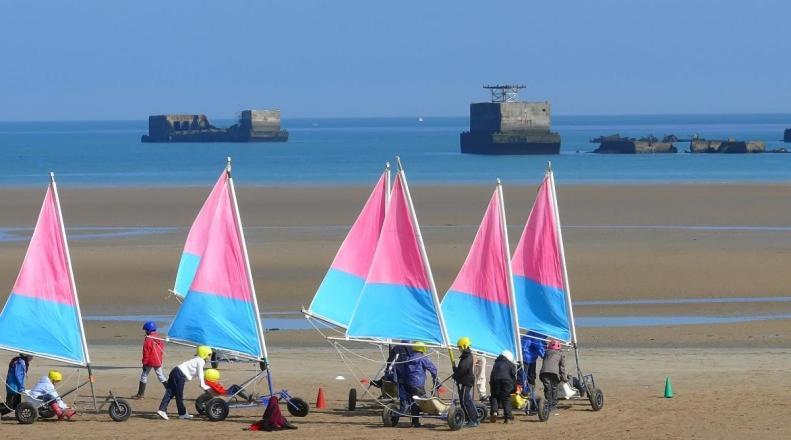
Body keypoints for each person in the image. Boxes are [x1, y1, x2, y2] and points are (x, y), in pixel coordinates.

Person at [157, 345, 212, 420]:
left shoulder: (198, 359)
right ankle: (180, 413)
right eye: (209, 354)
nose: (210, 356)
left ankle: (163, 410)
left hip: (176, 372)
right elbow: (200, 373)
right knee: (178, 394)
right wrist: (202, 384)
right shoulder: (200, 361)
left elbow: (199, 372)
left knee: (171, 392)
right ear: (204, 353)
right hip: (179, 374)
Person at [395, 342, 438, 428]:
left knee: (414, 402)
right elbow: (433, 369)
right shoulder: (423, 358)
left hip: (407, 384)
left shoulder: (408, 358)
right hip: (417, 385)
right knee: (423, 402)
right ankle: (420, 418)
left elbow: (402, 370)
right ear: (422, 349)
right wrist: (436, 379)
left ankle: (415, 422)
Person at [132, 321, 166, 399]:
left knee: (144, 376)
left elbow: (146, 353)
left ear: (148, 330)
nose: (145, 332)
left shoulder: (148, 340)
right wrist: (159, 360)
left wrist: (144, 363)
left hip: (149, 362)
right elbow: (161, 351)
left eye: (145, 330)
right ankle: (171, 392)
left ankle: (140, 395)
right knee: (161, 377)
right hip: (157, 361)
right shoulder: (159, 338)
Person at [452, 336, 478, 428]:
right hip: (466, 380)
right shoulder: (466, 356)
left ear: (463, 346)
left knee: (464, 400)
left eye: (459, 347)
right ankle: (471, 418)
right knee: (466, 400)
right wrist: (456, 370)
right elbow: (461, 369)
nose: (459, 349)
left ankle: (472, 420)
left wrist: (456, 374)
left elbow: (463, 369)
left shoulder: (467, 357)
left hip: (467, 381)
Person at [489, 350, 517, 424]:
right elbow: (513, 376)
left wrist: (491, 386)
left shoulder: (496, 363)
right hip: (506, 382)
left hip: (494, 381)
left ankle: (494, 412)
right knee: (506, 398)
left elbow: (492, 375)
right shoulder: (511, 364)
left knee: (494, 396)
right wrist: (514, 388)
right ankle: (508, 418)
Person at [539, 339, 566, 410]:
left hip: (544, 372)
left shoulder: (546, 352)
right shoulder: (561, 354)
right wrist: (564, 378)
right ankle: (553, 405)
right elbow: (562, 368)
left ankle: (548, 403)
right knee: (554, 388)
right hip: (554, 373)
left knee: (547, 388)